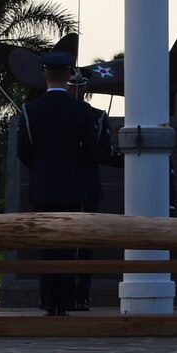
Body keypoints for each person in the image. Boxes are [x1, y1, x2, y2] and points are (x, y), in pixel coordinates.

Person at [15, 51, 105, 315]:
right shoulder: (82, 111)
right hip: (73, 187)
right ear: (69, 75)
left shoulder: (31, 110)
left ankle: (48, 302)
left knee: (46, 247)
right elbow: (90, 152)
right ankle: (65, 303)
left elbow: (24, 153)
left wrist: (42, 169)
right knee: (67, 247)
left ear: (44, 73)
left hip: (43, 187)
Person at [72, 70, 117, 310]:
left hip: (81, 186)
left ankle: (76, 295)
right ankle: (74, 295)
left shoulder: (97, 117)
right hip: (80, 185)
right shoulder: (94, 117)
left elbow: (103, 153)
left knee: (82, 245)